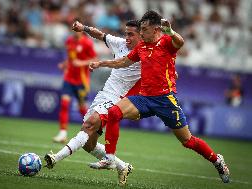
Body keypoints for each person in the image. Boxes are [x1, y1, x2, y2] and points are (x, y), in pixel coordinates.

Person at [89, 10, 230, 184]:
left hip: (165, 100)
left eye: (145, 30)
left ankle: (217, 160)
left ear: (157, 29)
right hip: (144, 98)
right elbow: (122, 62)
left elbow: (180, 42)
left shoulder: (166, 42)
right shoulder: (141, 46)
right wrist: (101, 63)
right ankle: (110, 158)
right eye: (140, 29)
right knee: (114, 112)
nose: (141, 33)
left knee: (187, 140)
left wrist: (170, 32)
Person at [44, 20, 142, 186]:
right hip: (104, 94)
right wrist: (84, 28)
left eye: (131, 34)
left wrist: (169, 71)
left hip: (120, 100)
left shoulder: (147, 53)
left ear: (141, 34)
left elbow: (161, 65)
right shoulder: (119, 43)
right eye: (126, 33)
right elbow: (100, 35)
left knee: (89, 125)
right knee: (89, 144)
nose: (127, 37)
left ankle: (55, 158)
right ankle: (122, 166)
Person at [53, 28, 97, 143]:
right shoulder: (69, 41)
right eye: (73, 29)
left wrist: (81, 63)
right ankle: (62, 133)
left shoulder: (87, 43)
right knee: (64, 104)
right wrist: (64, 64)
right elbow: (71, 58)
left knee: (82, 108)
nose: (75, 31)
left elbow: (94, 59)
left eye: (77, 29)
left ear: (81, 30)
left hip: (81, 81)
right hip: (68, 78)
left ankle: (91, 132)